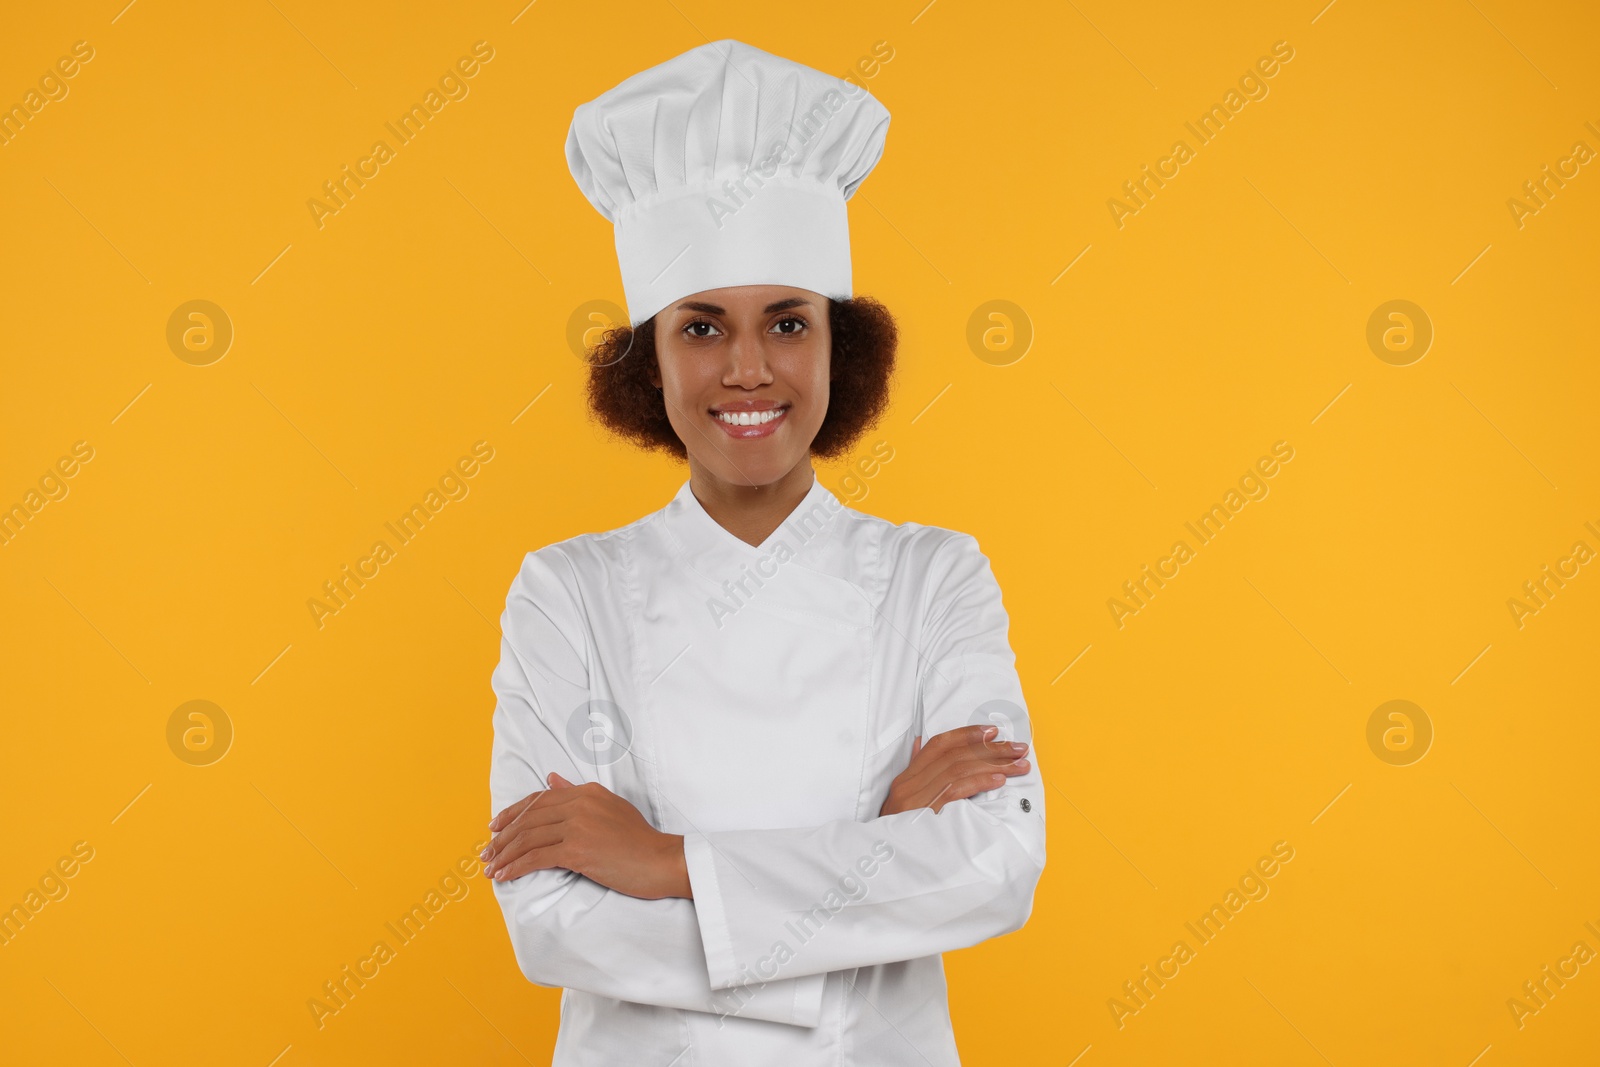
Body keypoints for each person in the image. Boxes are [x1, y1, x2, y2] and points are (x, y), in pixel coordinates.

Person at [483, 39, 1046, 1066]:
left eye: (786, 321)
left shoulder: (936, 575)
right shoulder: (566, 592)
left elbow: (995, 861)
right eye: (701, 328)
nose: (748, 369)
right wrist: (876, 856)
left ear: (840, 345)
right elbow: (552, 919)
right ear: (647, 364)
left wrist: (659, 860)